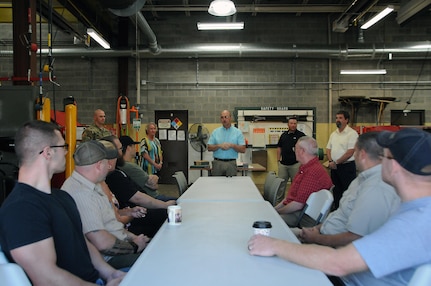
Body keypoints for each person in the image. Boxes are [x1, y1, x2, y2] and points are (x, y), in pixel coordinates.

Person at [248, 128, 431, 285]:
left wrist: (275, 245)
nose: (379, 162)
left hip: (346, 280)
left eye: (385, 157)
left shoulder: (414, 222)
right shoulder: (414, 209)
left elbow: (338, 264)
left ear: (395, 167)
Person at [0, 120, 124, 285]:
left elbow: (82, 243)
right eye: (63, 146)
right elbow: (47, 278)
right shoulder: (21, 209)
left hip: (98, 279)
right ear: (48, 152)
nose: (66, 152)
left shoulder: (62, 197)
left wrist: (111, 274)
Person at [298, 132, 400, 248]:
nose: (354, 156)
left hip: (333, 247)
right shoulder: (361, 180)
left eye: (355, 152)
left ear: (362, 154)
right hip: (323, 235)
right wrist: (315, 229)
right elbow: (341, 213)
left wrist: (316, 238)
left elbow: (355, 237)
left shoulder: (376, 188)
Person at [61, 140, 150, 270]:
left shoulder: (94, 185)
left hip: (121, 245)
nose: (109, 167)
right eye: (106, 163)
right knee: (160, 263)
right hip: (109, 260)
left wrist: (136, 238)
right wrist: (135, 246)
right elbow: (102, 244)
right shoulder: (82, 194)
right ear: (99, 165)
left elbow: (112, 225)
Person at [103, 136, 176, 238]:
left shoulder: (118, 171)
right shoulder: (113, 176)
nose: (121, 151)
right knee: (168, 212)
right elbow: (137, 198)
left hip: (135, 211)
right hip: (134, 216)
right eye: (120, 149)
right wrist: (164, 205)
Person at [274, 136, 333, 226]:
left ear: (302, 151)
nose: (294, 151)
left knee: (269, 221)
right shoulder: (306, 168)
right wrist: (274, 209)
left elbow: (297, 205)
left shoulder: (312, 172)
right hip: (298, 212)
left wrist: (277, 212)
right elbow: (290, 198)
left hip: (301, 216)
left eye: (295, 148)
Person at [119, 135, 177, 201]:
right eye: (134, 146)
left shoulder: (122, 166)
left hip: (149, 198)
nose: (135, 149)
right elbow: (154, 186)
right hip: (153, 199)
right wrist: (155, 177)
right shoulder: (131, 167)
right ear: (129, 148)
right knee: (180, 201)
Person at [326, 110, 359, 209]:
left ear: (346, 120)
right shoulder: (333, 134)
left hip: (347, 167)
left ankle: (347, 210)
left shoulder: (352, 134)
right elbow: (328, 149)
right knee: (336, 190)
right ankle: (337, 210)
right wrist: (331, 161)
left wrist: (336, 162)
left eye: (340, 118)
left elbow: (350, 152)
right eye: (336, 118)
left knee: (347, 191)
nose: (337, 120)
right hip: (334, 167)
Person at [207, 110, 246, 176]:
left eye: (226, 117)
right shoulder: (215, 132)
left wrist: (232, 145)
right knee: (216, 184)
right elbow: (209, 147)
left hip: (231, 164)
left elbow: (243, 149)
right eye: (222, 117)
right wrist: (219, 146)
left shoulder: (238, 132)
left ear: (230, 118)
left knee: (231, 185)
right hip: (217, 164)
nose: (224, 119)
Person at [277, 117, 306, 186]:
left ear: (296, 124)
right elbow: (279, 148)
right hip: (283, 165)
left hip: (296, 165)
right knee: (280, 184)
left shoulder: (301, 135)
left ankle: (294, 197)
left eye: (295, 123)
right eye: (291, 123)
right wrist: (278, 160)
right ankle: (280, 197)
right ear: (288, 124)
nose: (293, 125)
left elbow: (305, 149)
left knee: (296, 184)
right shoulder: (283, 135)